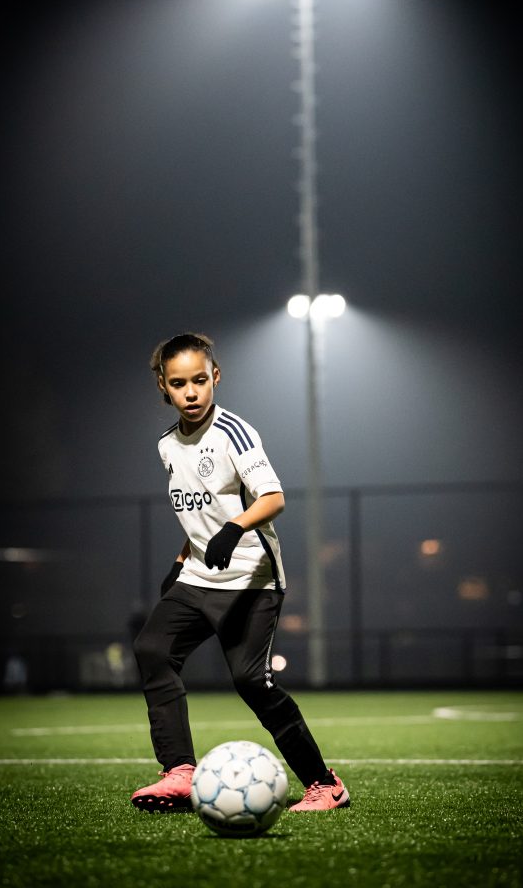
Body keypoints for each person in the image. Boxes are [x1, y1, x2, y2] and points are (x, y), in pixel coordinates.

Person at [131, 332, 349, 813]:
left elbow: (274, 498)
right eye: (178, 383)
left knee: (252, 683)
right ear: (163, 387)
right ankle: (179, 772)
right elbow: (198, 512)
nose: (190, 392)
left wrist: (235, 528)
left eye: (199, 380)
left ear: (216, 378)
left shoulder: (234, 432)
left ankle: (324, 784)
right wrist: (181, 559)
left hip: (251, 581)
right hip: (198, 578)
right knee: (152, 649)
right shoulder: (167, 445)